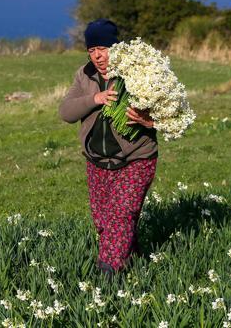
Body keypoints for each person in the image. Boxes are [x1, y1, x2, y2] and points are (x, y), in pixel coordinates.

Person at [59, 18, 158, 276]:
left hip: (136, 158)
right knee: (104, 222)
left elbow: (172, 117)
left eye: (103, 48)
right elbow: (66, 112)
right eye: (92, 50)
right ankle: (133, 261)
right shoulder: (84, 75)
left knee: (121, 215)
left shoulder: (138, 74)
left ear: (117, 48)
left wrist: (148, 121)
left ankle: (107, 275)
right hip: (97, 161)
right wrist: (95, 98)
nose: (97, 56)